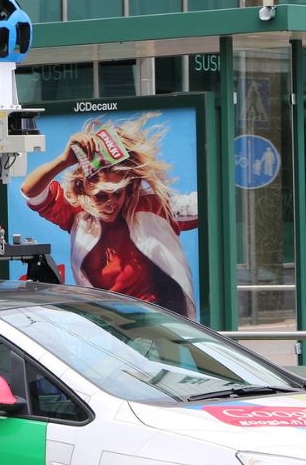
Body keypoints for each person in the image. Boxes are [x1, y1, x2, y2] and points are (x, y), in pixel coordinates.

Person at [20, 112, 197, 318]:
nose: (110, 203)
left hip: (158, 321)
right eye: (101, 195)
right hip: (109, 324)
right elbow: (30, 191)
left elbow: (205, 204)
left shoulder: (151, 204)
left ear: (127, 188)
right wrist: (64, 160)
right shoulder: (76, 214)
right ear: (85, 189)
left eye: (117, 193)